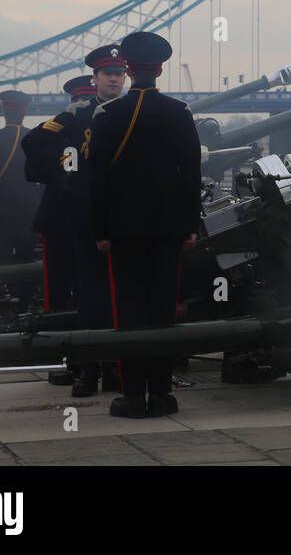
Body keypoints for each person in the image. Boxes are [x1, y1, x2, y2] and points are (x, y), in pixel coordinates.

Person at [89, 31, 201, 418]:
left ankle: (133, 394)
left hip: (123, 231)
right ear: (161, 69)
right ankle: (163, 393)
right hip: (169, 229)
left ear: (129, 69)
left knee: (129, 311)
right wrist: (190, 225)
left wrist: (101, 231)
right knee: (163, 311)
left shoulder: (107, 115)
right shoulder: (179, 112)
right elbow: (191, 174)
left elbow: (97, 178)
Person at [23, 50, 126, 394]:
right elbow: (34, 142)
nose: (114, 78)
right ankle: (87, 368)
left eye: (119, 73)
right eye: (107, 73)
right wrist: (64, 172)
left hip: (122, 219)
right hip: (85, 219)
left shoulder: (131, 113)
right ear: (95, 78)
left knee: (120, 298)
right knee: (91, 297)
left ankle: (115, 367)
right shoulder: (77, 114)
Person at [0, 91, 41, 265]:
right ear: (24, 112)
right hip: (29, 210)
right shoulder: (35, 138)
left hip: (0, 211)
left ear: (4, 112)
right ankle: (26, 292)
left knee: (0, 257)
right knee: (27, 258)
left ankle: (0, 290)